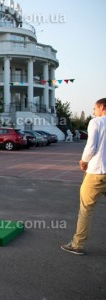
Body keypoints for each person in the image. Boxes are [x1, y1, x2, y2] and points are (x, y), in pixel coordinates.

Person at [61, 98, 106, 255]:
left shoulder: (96, 122)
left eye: (95, 108)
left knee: (86, 209)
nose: (94, 112)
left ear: (102, 107)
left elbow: (91, 147)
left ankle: (77, 245)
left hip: (96, 172)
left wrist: (83, 161)